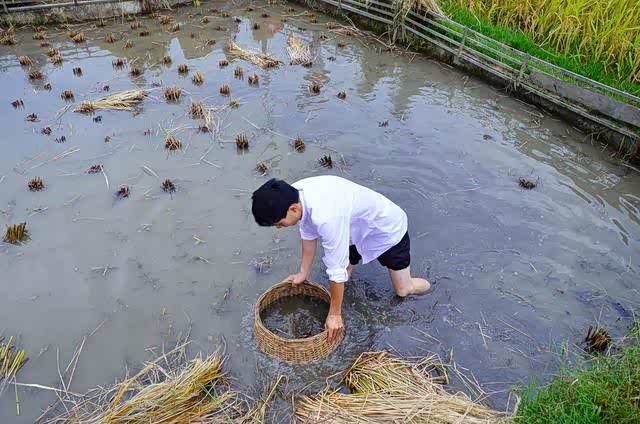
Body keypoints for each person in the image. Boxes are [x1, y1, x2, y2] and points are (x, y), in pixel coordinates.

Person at [251, 176, 430, 342]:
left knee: (403, 290)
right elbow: (308, 233)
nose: (279, 228)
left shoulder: (327, 217)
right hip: (351, 230)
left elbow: (335, 270)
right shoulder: (292, 195)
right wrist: (303, 273)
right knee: (345, 274)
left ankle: (433, 287)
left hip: (385, 230)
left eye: (279, 223)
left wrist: (335, 314)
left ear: (293, 209)